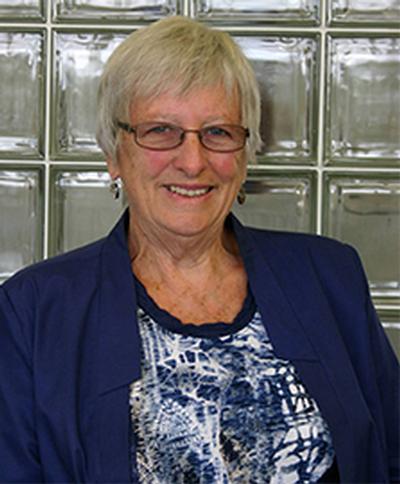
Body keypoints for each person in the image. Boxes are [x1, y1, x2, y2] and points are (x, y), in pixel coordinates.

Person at [0, 16, 398, 484]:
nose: (192, 162)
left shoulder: (329, 277)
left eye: (218, 132)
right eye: (160, 130)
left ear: (245, 155)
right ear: (113, 154)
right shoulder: (34, 311)